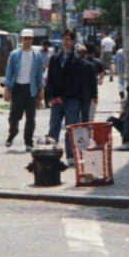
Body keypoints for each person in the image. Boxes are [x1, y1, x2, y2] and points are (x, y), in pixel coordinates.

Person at [44, 31, 95, 164]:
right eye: (64, 39)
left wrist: (64, 97)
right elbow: (50, 80)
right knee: (54, 127)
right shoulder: (55, 59)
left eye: (68, 39)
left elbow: (76, 83)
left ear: (73, 42)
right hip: (56, 100)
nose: (65, 42)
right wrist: (51, 97)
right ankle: (51, 154)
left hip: (71, 99)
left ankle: (70, 155)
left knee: (70, 127)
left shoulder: (77, 61)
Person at [3, 28, 45, 149]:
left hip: (31, 89)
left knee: (30, 117)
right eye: (25, 38)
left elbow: (39, 74)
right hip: (17, 88)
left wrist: (41, 91)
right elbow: (9, 72)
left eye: (29, 38)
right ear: (21, 39)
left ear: (32, 39)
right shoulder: (15, 54)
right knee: (14, 116)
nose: (27, 41)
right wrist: (6, 90)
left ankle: (28, 142)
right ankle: (13, 133)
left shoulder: (36, 55)